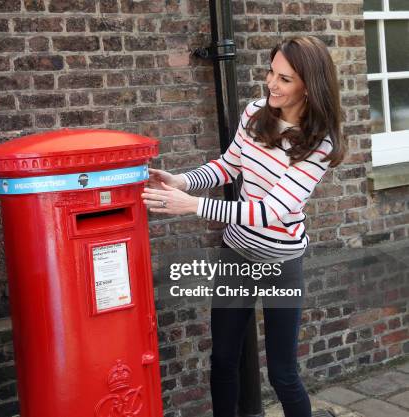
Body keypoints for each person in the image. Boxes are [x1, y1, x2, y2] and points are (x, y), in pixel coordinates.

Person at [142, 36, 345, 417]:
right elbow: (227, 166)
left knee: (282, 373)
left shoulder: (319, 144)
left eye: (285, 79)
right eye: (271, 71)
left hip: (281, 265)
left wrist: (193, 206)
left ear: (309, 85)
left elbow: (272, 210)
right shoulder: (254, 113)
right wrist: (181, 182)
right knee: (222, 359)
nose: (271, 83)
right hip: (236, 255)